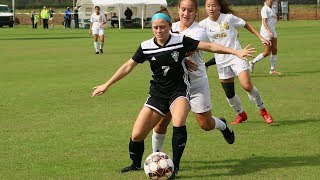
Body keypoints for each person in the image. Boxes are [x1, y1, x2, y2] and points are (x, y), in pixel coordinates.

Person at [91, 9, 254, 176]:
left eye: (163, 27)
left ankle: (174, 166)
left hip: (179, 92)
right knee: (137, 134)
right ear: (152, 28)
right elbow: (128, 66)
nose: (159, 31)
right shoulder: (146, 46)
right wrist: (107, 84)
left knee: (178, 121)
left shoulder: (181, 40)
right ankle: (135, 164)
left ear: (170, 26)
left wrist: (236, 52)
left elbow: (210, 46)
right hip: (157, 94)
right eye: (155, 27)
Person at [151, 1, 235, 176]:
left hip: (196, 84)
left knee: (205, 124)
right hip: (173, 86)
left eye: (190, 10)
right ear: (178, 10)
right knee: (160, 124)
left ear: (196, 12)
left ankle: (223, 125)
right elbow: (157, 46)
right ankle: (156, 159)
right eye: (183, 9)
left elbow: (182, 49)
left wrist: (179, 57)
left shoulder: (199, 31)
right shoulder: (169, 26)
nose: (186, 13)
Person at [199, 0, 274, 124]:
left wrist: (261, 37)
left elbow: (245, 24)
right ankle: (241, 114)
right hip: (221, 62)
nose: (211, 8)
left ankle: (263, 111)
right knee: (229, 93)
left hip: (237, 56)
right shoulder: (203, 24)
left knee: (247, 86)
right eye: (208, 6)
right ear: (205, 8)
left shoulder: (228, 18)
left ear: (219, 7)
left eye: (214, 5)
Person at [249, 0, 281, 75]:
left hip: (273, 31)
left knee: (274, 50)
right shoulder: (264, 9)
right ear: (266, 0)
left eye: (272, 0)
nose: (271, 1)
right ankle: (252, 62)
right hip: (266, 32)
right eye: (269, 0)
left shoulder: (273, 9)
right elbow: (264, 22)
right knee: (267, 52)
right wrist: (269, 31)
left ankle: (272, 70)